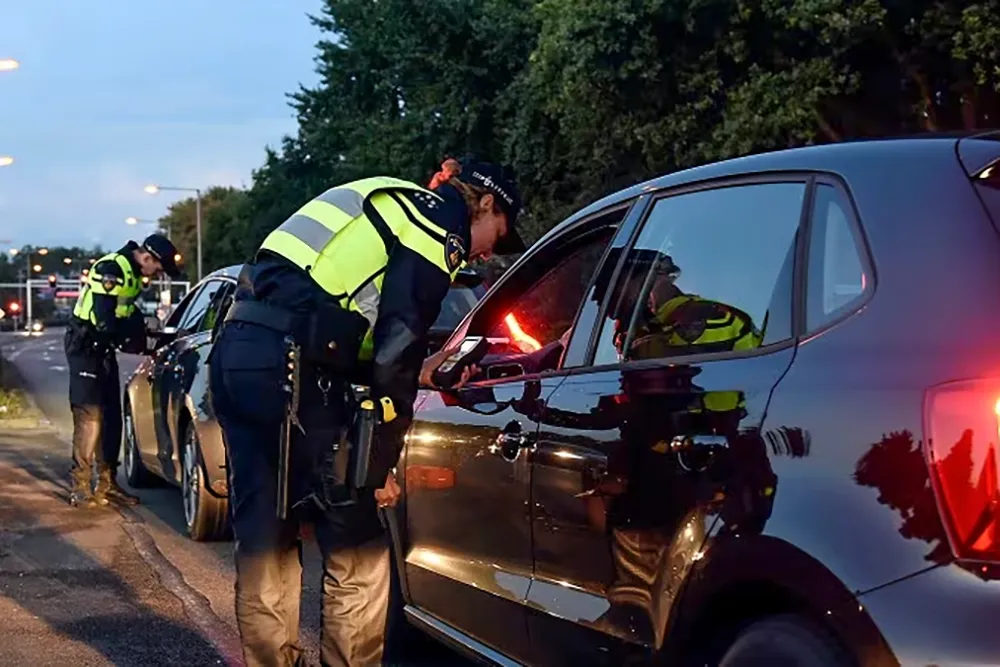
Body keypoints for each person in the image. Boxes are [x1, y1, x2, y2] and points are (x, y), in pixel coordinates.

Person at [209, 162, 524, 667]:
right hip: (296, 370)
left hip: (240, 355)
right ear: (484, 205)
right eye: (496, 235)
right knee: (358, 543)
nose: (486, 252)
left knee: (266, 533)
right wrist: (380, 459)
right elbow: (399, 333)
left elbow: (323, 309)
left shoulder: (379, 196)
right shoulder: (437, 219)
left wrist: (417, 371)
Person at [65, 233, 181, 509]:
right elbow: (105, 319)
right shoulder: (111, 269)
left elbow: (127, 312)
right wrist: (127, 341)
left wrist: (148, 336)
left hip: (102, 348)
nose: (157, 274)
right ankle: (80, 487)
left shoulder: (132, 274)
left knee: (112, 417)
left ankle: (107, 483)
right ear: (147, 257)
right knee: (89, 415)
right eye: (158, 267)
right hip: (85, 346)